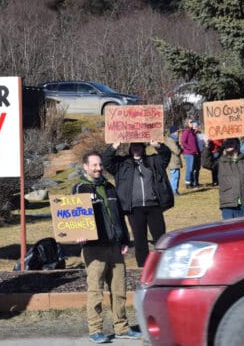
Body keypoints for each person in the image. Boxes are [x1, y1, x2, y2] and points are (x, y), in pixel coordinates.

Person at [72, 151, 140, 343]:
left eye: (100, 164)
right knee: (96, 290)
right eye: (94, 165)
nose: (98, 168)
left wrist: (125, 240)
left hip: (115, 246)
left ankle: (122, 328)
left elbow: (118, 216)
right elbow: (74, 216)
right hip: (94, 248)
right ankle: (95, 330)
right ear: (85, 166)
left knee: (119, 289)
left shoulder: (110, 187)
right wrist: (78, 234)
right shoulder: (80, 188)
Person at [102, 141, 174, 268]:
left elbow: (166, 155)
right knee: (140, 240)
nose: (136, 148)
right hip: (134, 209)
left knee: (160, 238)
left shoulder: (154, 161)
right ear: (130, 148)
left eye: (139, 145)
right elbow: (106, 161)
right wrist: (114, 147)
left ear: (143, 147)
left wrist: (157, 145)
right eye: (133, 145)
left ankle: (164, 265)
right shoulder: (122, 164)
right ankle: (143, 267)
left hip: (154, 206)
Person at [201, 133, 244, 219]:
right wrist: (206, 144)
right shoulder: (220, 161)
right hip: (228, 205)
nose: (229, 144)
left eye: (231, 141)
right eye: (226, 142)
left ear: (237, 144)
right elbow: (206, 163)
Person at [181, 118, 201, 189]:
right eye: (190, 122)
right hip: (188, 153)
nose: (192, 123)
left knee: (193, 168)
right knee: (189, 169)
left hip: (194, 153)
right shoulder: (186, 132)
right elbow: (183, 142)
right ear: (187, 124)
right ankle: (188, 183)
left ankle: (192, 182)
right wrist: (190, 148)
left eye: (192, 122)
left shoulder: (192, 132)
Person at [164, 125, 182, 195]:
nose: (178, 133)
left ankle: (175, 190)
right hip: (173, 161)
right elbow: (177, 151)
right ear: (173, 132)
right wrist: (180, 148)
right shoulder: (171, 141)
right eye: (177, 132)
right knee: (174, 176)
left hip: (174, 161)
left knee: (176, 176)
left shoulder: (173, 140)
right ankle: (173, 191)